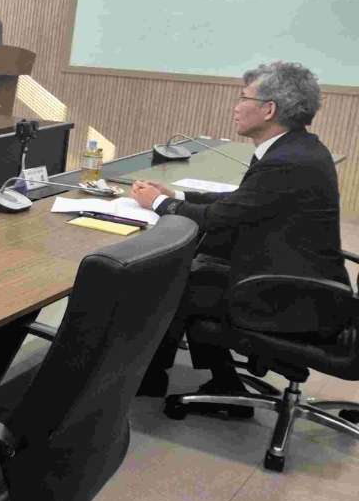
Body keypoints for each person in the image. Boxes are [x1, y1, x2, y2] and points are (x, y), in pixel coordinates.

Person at [131, 61, 347, 412]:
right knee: (196, 271)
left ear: (269, 109)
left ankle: (152, 378)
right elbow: (243, 202)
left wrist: (157, 203)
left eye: (243, 98)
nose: (236, 106)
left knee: (170, 283)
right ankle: (219, 381)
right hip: (302, 280)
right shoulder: (297, 148)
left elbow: (217, 220)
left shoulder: (286, 161)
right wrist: (178, 195)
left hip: (291, 297)